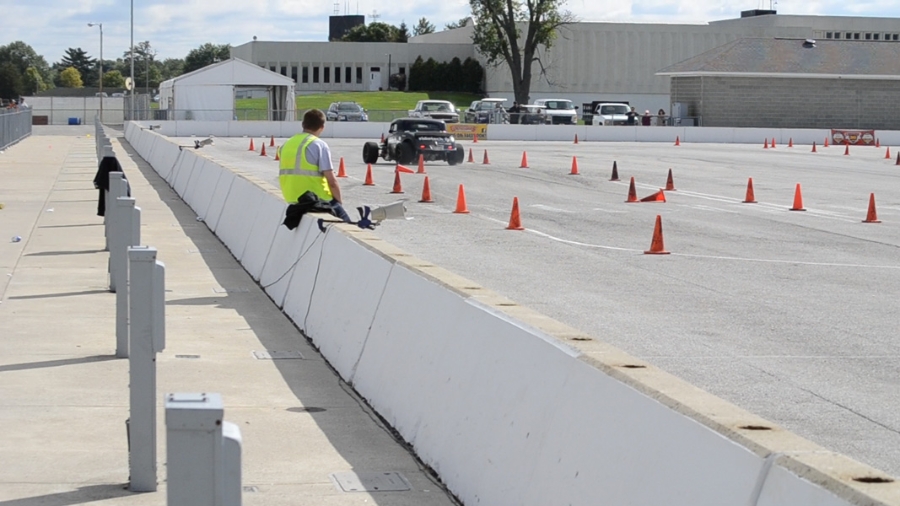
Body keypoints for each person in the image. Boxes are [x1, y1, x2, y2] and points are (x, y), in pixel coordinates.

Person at [279, 109, 351, 223]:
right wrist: (339, 203)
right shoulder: (319, 145)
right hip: (316, 199)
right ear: (322, 127)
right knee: (348, 223)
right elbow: (332, 182)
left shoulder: (286, 144)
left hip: (292, 198)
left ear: (303, 124)